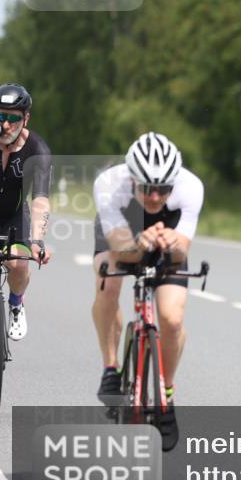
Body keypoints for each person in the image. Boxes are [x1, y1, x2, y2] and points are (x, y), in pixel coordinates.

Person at [92, 132, 204, 448]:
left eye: (163, 189)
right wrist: (137, 243)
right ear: (132, 180)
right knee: (108, 284)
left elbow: (182, 251)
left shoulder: (190, 187)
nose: (155, 197)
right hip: (121, 232)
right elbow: (120, 250)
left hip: (166, 231)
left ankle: (165, 395)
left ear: (175, 182)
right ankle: (111, 367)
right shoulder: (109, 185)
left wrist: (171, 243)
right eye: (147, 189)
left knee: (171, 318)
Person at [0, 83, 52, 340]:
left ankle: (16, 303)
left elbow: (40, 200)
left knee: (18, 264)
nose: (5, 125)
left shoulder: (37, 150)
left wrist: (38, 241)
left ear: (25, 118)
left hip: (14, 216)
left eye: (13, 118)